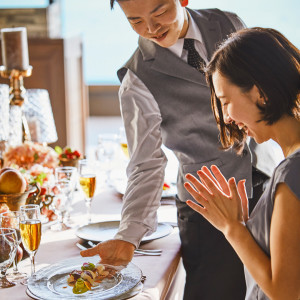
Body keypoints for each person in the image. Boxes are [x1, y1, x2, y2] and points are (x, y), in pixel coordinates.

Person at [81, 1, 282, 298]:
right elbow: (145, 165)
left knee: (275, 287)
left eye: (160, 11)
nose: (151, 28)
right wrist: (128, 237)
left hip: (269, 186)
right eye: (135, 21)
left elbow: (269, 87)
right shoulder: (136, 79)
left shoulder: (228, 23)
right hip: (207, 210)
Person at [184, 27, 300, 299]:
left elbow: (286, 292)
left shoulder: (293, 171)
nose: (225, 118)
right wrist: (248, 224)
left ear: (260, 93)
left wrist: (232, 228)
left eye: (225, 102)